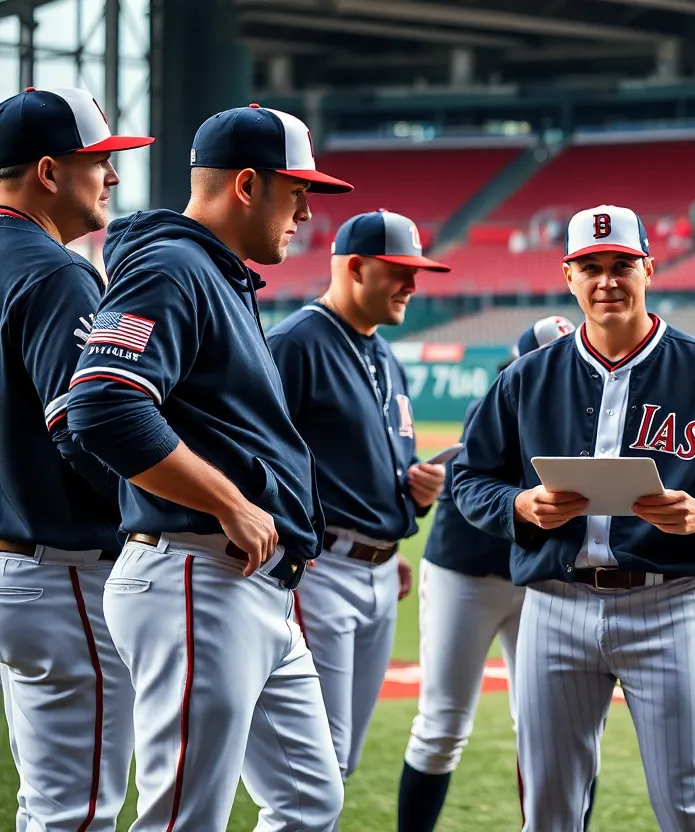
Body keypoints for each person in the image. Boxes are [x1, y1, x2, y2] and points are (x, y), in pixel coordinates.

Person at [451, 204, 695, 831]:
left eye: (621, 266)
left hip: (665, 607)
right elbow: (469, 479)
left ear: (649, 269)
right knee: (549, 814)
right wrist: (517, 506)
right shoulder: (526, 377)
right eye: (591, 267)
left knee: (692, 812)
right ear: (568, 276)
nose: (607, 280)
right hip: (554, 606)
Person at [67, 103, 353, 831]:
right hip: (195, 573)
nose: (305, 213)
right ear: (248, 186)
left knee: (308, 802)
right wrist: (229, 501)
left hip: (238, 583)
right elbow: (101, 404)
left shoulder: (214, 272)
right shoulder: (172, 264)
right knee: (184, 820)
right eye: (296, 192)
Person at [0, 85, 152, 832]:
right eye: (101, 161)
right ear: (51, 172)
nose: (113, 178)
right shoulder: (55, 271)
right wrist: (166, 506)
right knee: (77, 812)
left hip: (14, 563)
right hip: (60, 572)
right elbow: (90, 430)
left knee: (49, 803)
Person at [266, 210, 450, 808]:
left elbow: (374, 461)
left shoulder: (384, 355)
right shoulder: (296, 343)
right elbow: (258, 454)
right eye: (399, 271)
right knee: (319, 764)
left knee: (339, 763)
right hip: (323, 572)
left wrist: (409, 495)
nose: (412, 285)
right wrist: (297, 540)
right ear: (353, 267)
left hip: (378, 569)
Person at [397, 314, 585, 832]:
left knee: (557, 732)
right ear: (517, 366)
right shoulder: (493, 408)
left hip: (542, 582)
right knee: (442, 725)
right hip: (468, 576)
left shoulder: (590, 413)